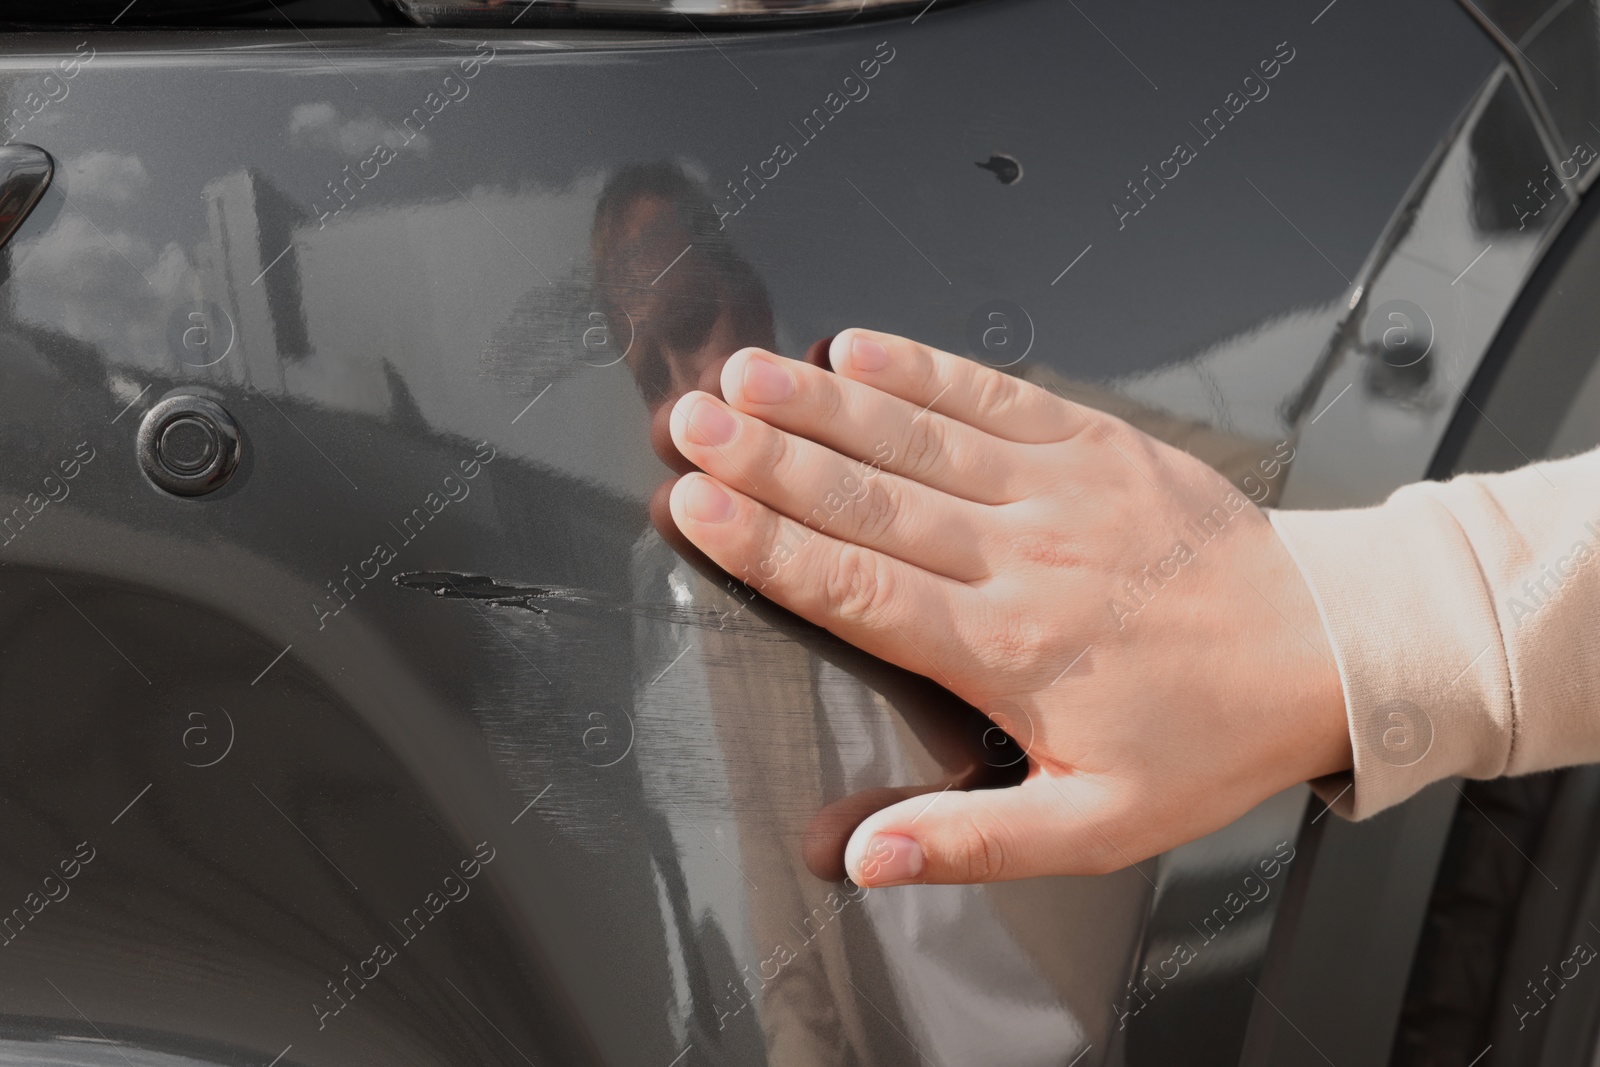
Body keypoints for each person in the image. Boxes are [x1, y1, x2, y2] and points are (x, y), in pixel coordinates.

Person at [658, 328, 1600, 888]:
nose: (675, 363)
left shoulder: (1049, 460)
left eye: (693, 317)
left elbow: (1269, 484)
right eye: (642, 360)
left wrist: (1322, 624)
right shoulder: (691, 640)